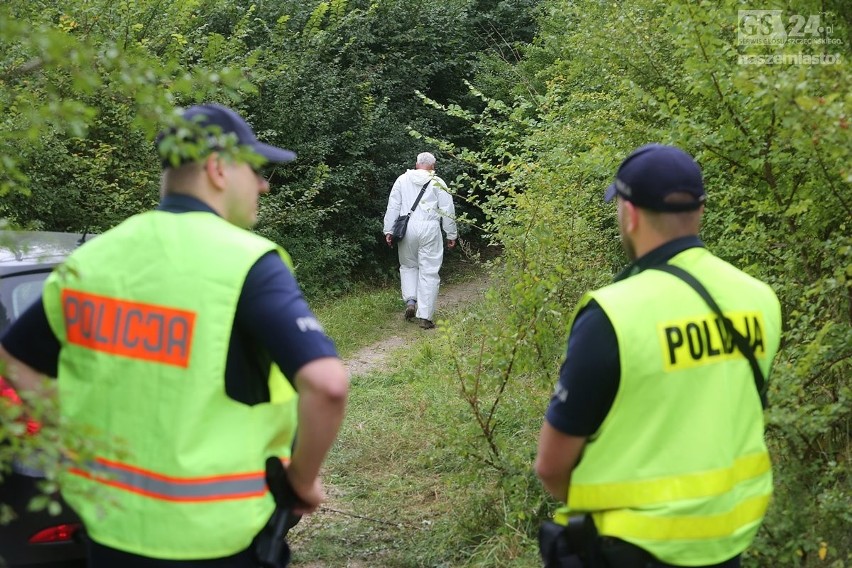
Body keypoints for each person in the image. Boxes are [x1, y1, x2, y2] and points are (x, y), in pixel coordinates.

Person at [0, 103, 350, 567]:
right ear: (218, 168)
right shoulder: (246, 261)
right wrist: (303, 482)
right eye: (256, 169)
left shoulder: (94, 259)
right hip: (217, 543)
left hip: (110, 530)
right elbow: (328, 384)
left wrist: (69, 434)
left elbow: (14, 358)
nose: (264, 184)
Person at [534, 144, 782, 568]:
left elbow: (552, 466)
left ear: (628, 214)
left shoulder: (613, 314)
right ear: (699, 212)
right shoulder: (759, 300)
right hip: (727, 545)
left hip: (630, 550)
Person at [383, 151, 457, 329]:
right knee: (429, 271)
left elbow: (393, 206)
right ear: (433, 166)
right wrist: (451, 234)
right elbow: (447, 209)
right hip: (430, 228)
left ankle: (410, 300)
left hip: (407, 228)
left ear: (416, 164)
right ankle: (425, 316)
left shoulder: (402, 180)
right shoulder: (438, 182)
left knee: (408, 266)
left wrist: (389, 230)